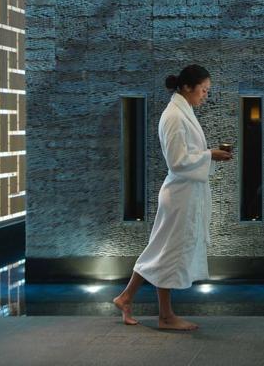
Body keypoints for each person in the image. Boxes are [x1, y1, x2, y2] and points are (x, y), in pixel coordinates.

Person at [113, 64, 232, 330]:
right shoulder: (175, 117)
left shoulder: (183, 110)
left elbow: (185, 157)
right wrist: (209, 154)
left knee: (161, 248)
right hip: (180, 195)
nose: (205, 96)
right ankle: (165, 316)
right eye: (203, 90)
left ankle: (126, 297)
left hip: (184, 193)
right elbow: (177, 161)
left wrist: (209, 154)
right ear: (188, 87)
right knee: (170, 252)